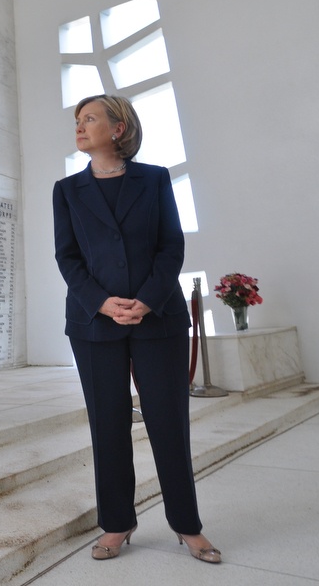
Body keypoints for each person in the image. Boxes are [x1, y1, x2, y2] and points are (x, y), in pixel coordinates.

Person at [52, 95, 220, 562]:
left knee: (169, 424)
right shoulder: (66, 191)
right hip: (93, 323)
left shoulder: (155, 179)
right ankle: (117, 524)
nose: (80, 127)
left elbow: (171, 245)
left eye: (90, 119)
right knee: (107, 426)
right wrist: (102, 302)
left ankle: (188, 526)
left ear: (119, 128)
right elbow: (68, 257)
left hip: (158, 318)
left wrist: (146, 299)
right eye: (78, 121)